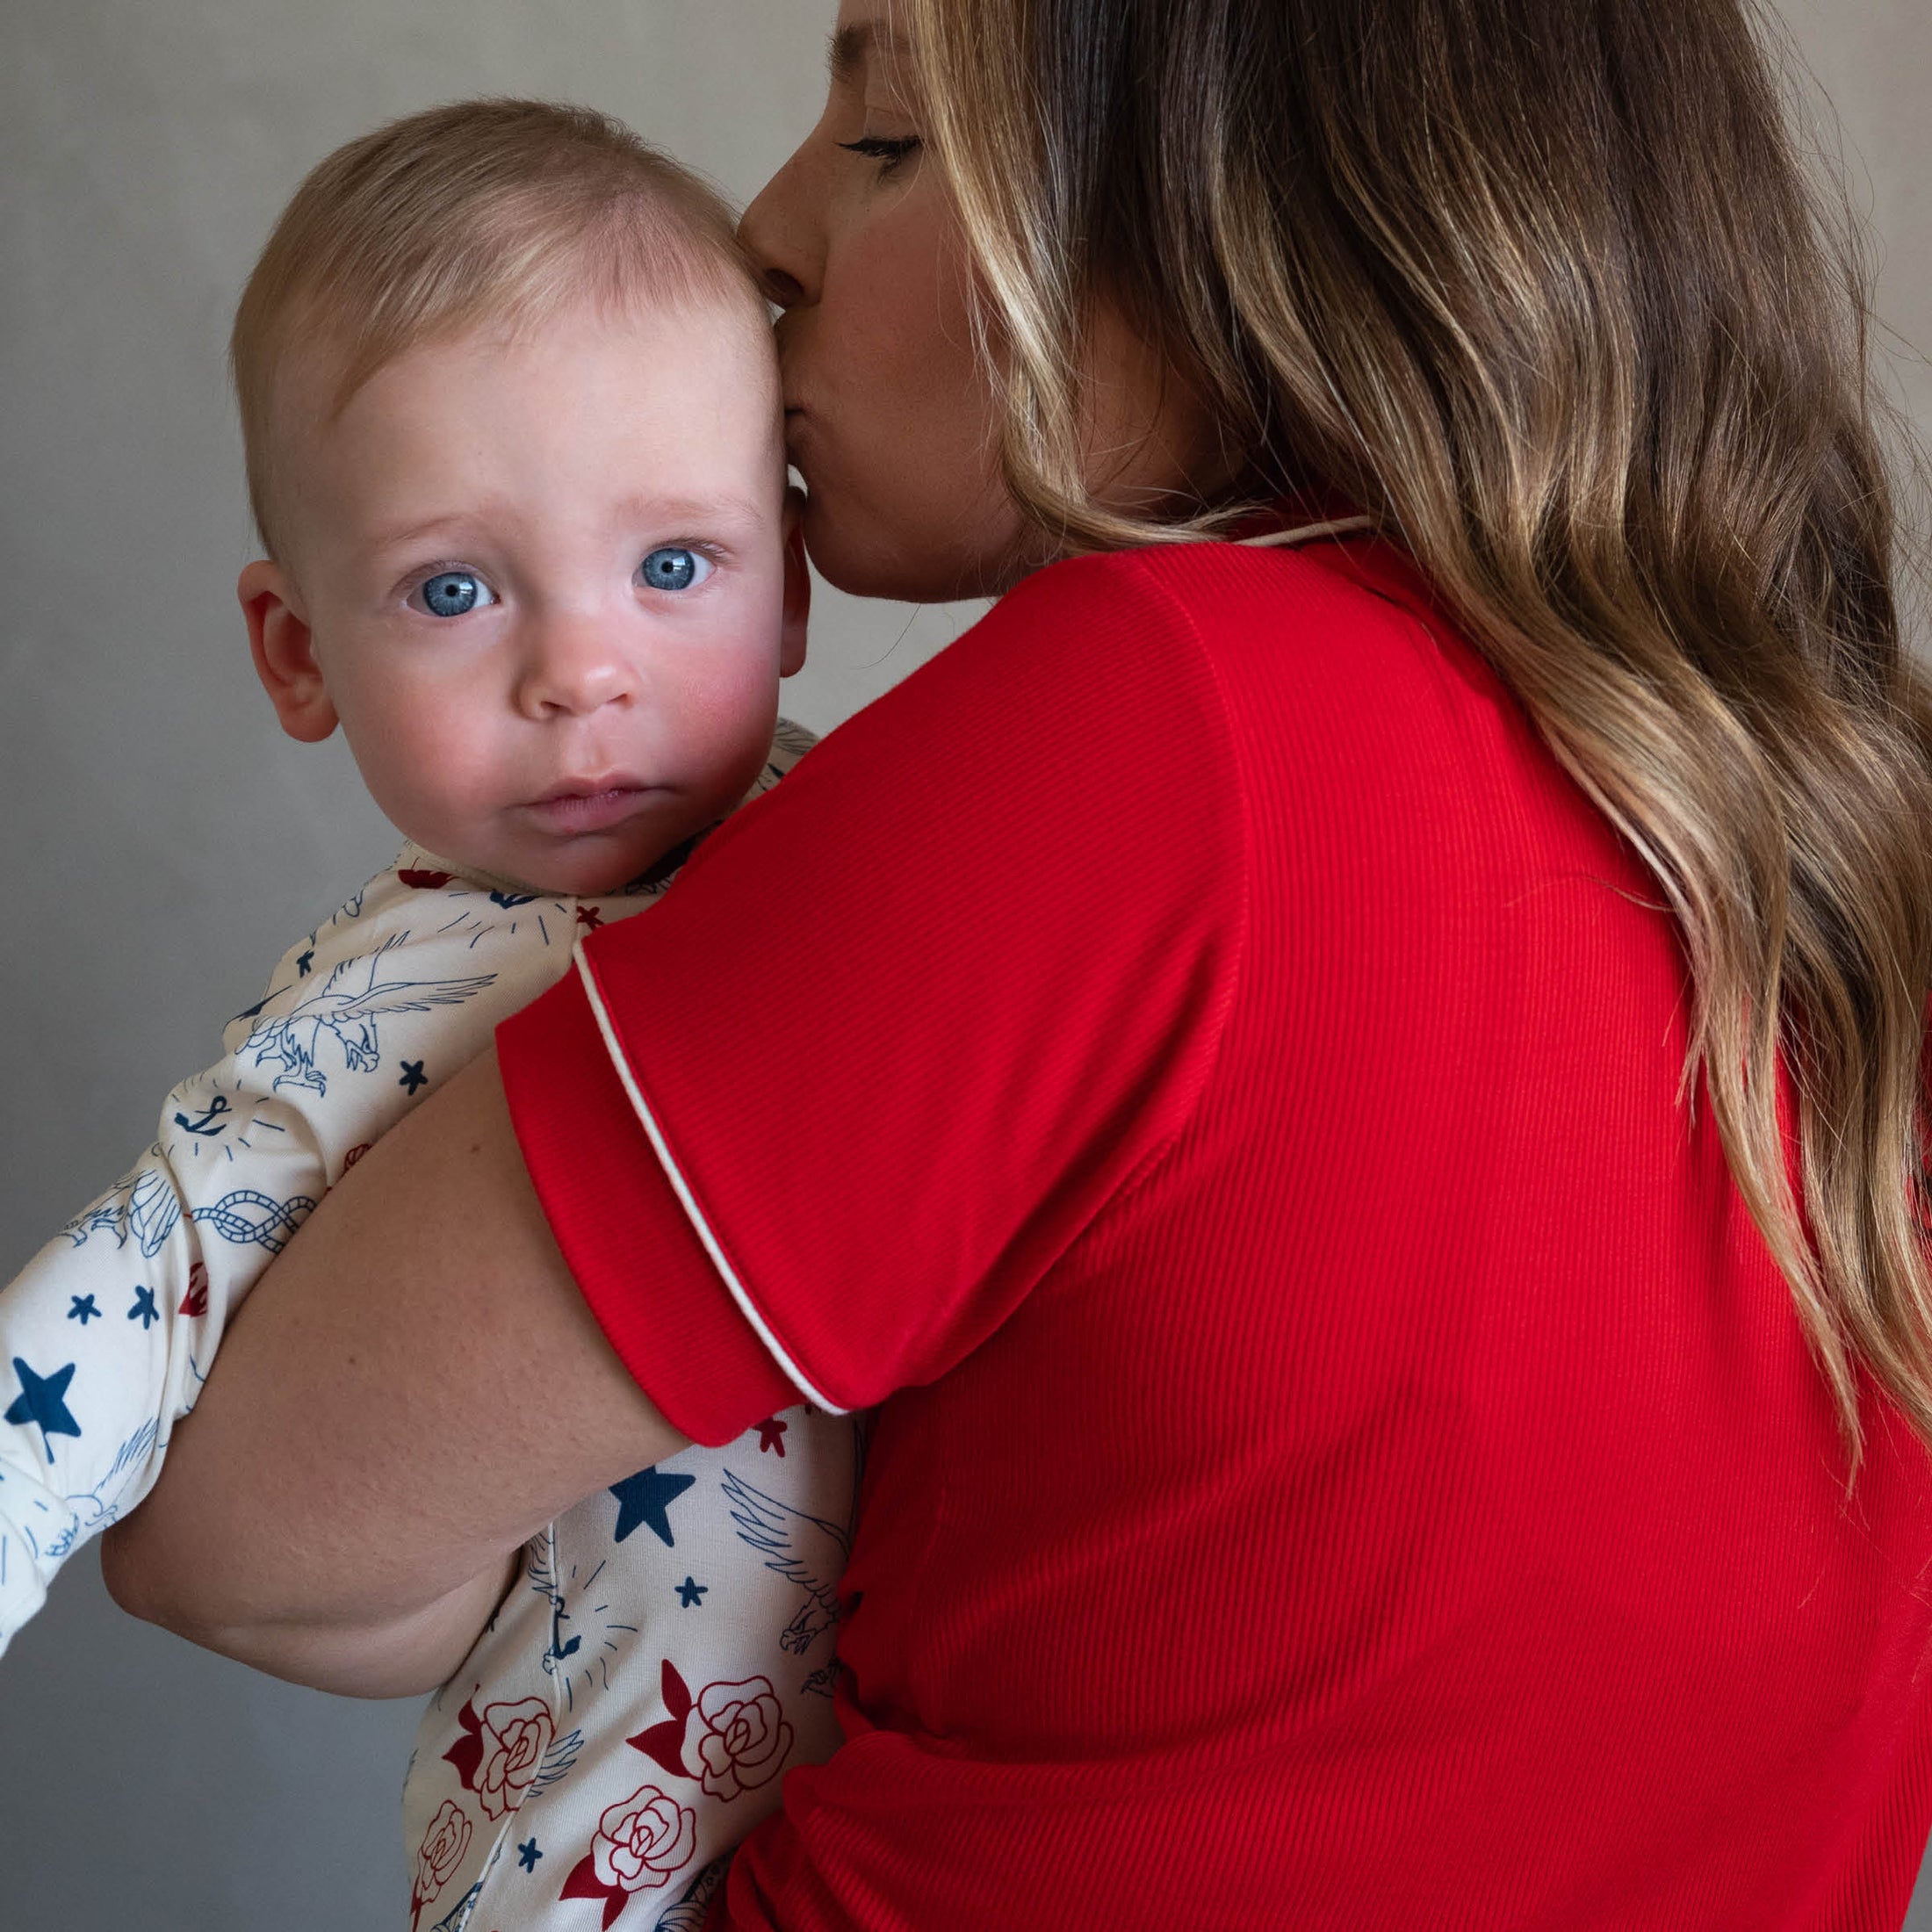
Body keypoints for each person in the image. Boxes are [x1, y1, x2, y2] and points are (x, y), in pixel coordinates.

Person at [105, 0, 1932, 1925]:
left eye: (885, 137)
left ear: (1224, 219)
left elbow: (241, 1532)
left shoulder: (1171, 712)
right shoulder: (1809, 807)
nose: (766, 232)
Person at [0, 99, 860, 1930]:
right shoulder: (409, 989)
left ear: (788, 580)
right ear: (301, 650)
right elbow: (142, 1278)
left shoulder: (883, 852)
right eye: (455, 589)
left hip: (927, 1804)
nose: (578, 668)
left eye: (676, 563)